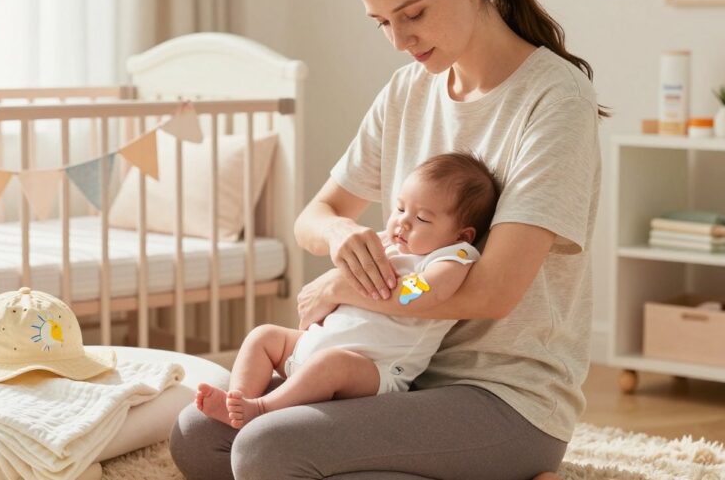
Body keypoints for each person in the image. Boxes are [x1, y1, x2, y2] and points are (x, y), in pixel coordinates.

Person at [171, 0, 604, 478]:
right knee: (198, 434)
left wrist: (343, 290)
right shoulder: (407, 91)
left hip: (504, 399)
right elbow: (315, 215)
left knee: (267, 447)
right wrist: (341, 236)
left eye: (413, 14)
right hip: (396, 377)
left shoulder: (554, 101)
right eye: (383, 23)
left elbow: (494, 293)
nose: (400, 40)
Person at [196, 153, 500, 429]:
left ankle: (262, 409)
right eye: (400, 208)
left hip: (373, 371)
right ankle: (238, 398)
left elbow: (425, 293)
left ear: (462, 235)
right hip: (318, 343)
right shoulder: (389, 242)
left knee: (331, 365)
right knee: (263, 336)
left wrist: (363, 288)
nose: (402, 223)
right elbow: (345, 265)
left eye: (421, 218)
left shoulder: (452, 257)